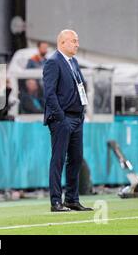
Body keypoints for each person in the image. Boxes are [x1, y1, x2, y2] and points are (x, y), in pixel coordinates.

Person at [42, 29, 93, 212]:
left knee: (76, 159)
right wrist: (61, 118)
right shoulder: (53, 62)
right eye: (73, 41)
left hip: (77, 118)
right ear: (62, 43)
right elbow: (49, 94)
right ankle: (56, 201)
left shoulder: (73, 62)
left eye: (77, 41)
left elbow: (79, 87)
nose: (77, 44)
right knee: (58, 159)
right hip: (62, 119)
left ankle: (72, 199)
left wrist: (82, 112)